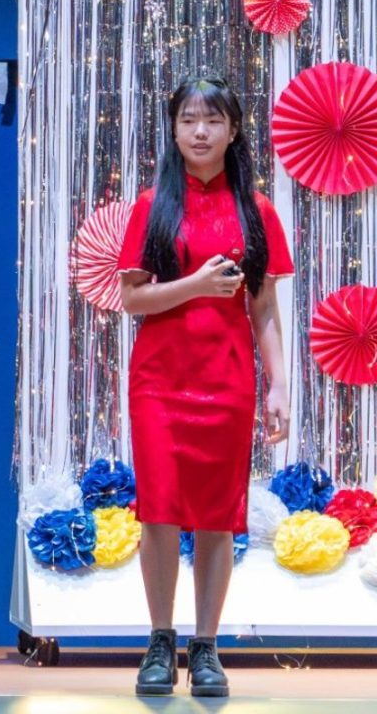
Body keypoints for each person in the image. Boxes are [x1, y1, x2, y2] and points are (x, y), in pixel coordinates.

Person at [117, 75, 292, 698]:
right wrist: (194, 285)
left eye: (212, 120)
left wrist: (278, 385)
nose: (199, 131)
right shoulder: (151, 205)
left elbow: (264, 309)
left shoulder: (258, 210)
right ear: (173, 127)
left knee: (218, 519)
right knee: (159, 515)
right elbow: (132, 299)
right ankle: (159, 641)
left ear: (233, 130)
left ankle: (207, 646)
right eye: (188, 119)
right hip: (159, 384)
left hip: (228, 382)